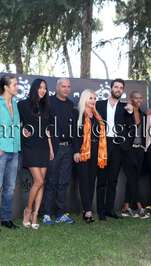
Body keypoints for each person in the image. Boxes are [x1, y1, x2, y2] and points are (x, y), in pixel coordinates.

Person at [0, 75, 21, 232]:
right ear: (6, 87)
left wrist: (23, 132)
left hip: (14, 151)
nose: (17, 86)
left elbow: (16, 125)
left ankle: (7, 219)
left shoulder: (15, 103)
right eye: (14, 84)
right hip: (0, 151)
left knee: (10, 187)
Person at [18, 79, 54, 229]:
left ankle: (35, 216)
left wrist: (51, 148)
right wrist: (22, 131)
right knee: (38, 181)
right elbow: (17, 124)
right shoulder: (22, 105)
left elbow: (47, 130)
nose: (43, 90)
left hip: (44, 147)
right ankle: (28, 211)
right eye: (40, 87)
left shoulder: (47, 106)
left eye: (45, 88)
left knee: (42, 182)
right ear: (34, 88)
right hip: (30, 146)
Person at [96, 78, 133, 221]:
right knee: (102, 179)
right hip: (103, 145)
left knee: (113, 179)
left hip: (118, 145)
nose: (118, 89)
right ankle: (100, 210)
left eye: (121, 88)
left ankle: (109, 209)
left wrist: (130, 113)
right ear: (110, 89)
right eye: (116, 87)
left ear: (122, 91)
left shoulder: (125, 107)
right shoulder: (99, 105)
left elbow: (131, 127)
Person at [42, 78, 75, 225]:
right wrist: (50, 148)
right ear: (57, 87)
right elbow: (45, 126)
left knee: (63, 183)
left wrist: (75, 149)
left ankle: (61, 213)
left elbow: (74, 129)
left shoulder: (70, 104)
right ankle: (46, 213)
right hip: (54, 148)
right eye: (63, 86)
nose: (66, 89)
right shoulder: (48, 102)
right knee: (51, 182)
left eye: (68, 86)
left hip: (68, 148)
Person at [73, 89, 107, 223]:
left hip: (96, 151)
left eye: (94, 98)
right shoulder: (77, 113)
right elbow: (74, 134)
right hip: (83, 151)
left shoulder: (97, 115)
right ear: (85, 99)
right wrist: (76, 151)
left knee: (92, 180)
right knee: (84, 180)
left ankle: (86, 208)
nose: (93, 101)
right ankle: (87, 211)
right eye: (90, 98)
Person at [121, 91, 149, 219]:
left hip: (140, 150)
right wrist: (128, 111)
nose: (138, 100)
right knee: (132, 178)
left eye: (140, 98)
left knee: (133, 179)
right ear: (130, 99)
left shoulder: (144, 115)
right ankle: (139, 206)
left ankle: (126, 207)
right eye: (136, 98)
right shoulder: (126, 112)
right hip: (128, 150)